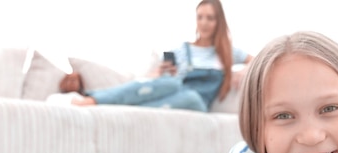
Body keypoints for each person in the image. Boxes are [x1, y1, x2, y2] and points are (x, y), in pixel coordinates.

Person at [69, 0, 253, 112]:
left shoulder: (227, 51)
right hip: (174, 86)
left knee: (187, 97)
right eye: (200, 17)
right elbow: (154, 79)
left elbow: (259, 60)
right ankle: (95, 99)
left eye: (210, 18)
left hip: (196, 99)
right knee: (166, 83)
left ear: (218, 21)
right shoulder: (181, 49)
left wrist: (244, 70)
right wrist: (161, 72)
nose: (204, 23)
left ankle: (117, 108)